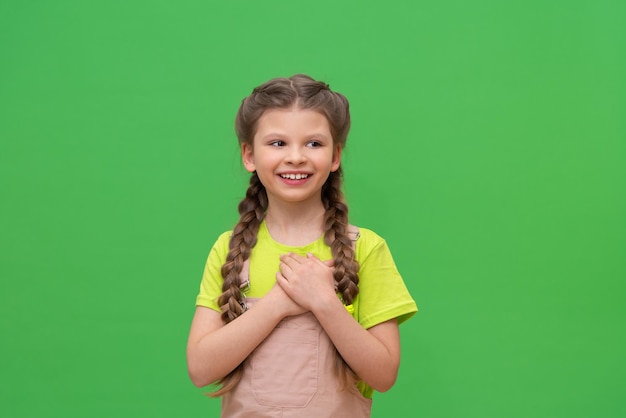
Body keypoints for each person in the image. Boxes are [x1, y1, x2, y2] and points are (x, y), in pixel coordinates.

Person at [187, 74, 417, 417]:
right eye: (278, 143)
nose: (296, 157)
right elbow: (201, 369)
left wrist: (324, 301)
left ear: (336, 155)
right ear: (249, 155)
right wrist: (279, 303)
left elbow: (383, 375)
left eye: (313, 143)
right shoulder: (230, 249)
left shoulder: (366, 248)